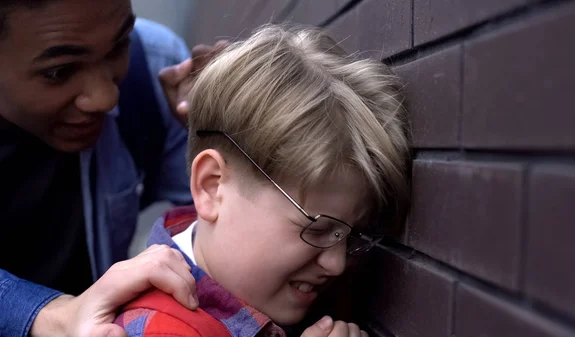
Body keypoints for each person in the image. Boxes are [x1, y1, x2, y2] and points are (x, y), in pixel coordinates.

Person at [115, 24, 410, 337]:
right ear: (212, 187)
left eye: (353, 237)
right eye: (319, 229)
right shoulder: (160, 330)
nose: (336, 265)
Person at [0, 1, 226, 336]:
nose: (106, 98)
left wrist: (227, 135)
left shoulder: (156, 69)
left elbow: (223, 228)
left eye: (119, 47)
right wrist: (48, 315)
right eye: (59, 72)